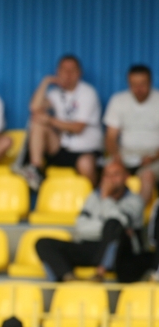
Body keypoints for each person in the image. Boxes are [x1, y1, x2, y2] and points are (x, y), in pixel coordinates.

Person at [36, 161, 145, 282]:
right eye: (107, 175)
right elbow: (81, 226)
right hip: (91, 247)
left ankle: (100, 273)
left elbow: (119, 222)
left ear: (126, 177)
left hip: (120, 253)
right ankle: (68, 278)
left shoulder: (135, 200)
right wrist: (107, 228)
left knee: (113, 224)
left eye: (116, 174)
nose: (111, 179)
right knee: (43, 243)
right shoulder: (93, 196)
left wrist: (105, 198)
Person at [22, 55, 103, 188]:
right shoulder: (55, 93)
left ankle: (93, 197)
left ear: (79, 73)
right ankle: (35, 169)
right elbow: (34, 108)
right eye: (64, 70)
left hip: (86, 150)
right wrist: (46, 82)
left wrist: (49, 120)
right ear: (58, 72)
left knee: (85, 163)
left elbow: (78, 128)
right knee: (37, 121)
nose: (68, 74)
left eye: (72, 70)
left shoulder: (88, 92)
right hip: (63, 148)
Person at [104, 64, 159, 205]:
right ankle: (106, 214)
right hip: (125, 155)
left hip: (154, 158)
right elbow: (110, 137)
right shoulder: (118, 100)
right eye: (134, 84)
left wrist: (153, 157)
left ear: (150, 82)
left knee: (147, 175)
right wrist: (117, 157)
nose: (138, 89)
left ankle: (135, 217)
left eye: (142, 84)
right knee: (110, 172)